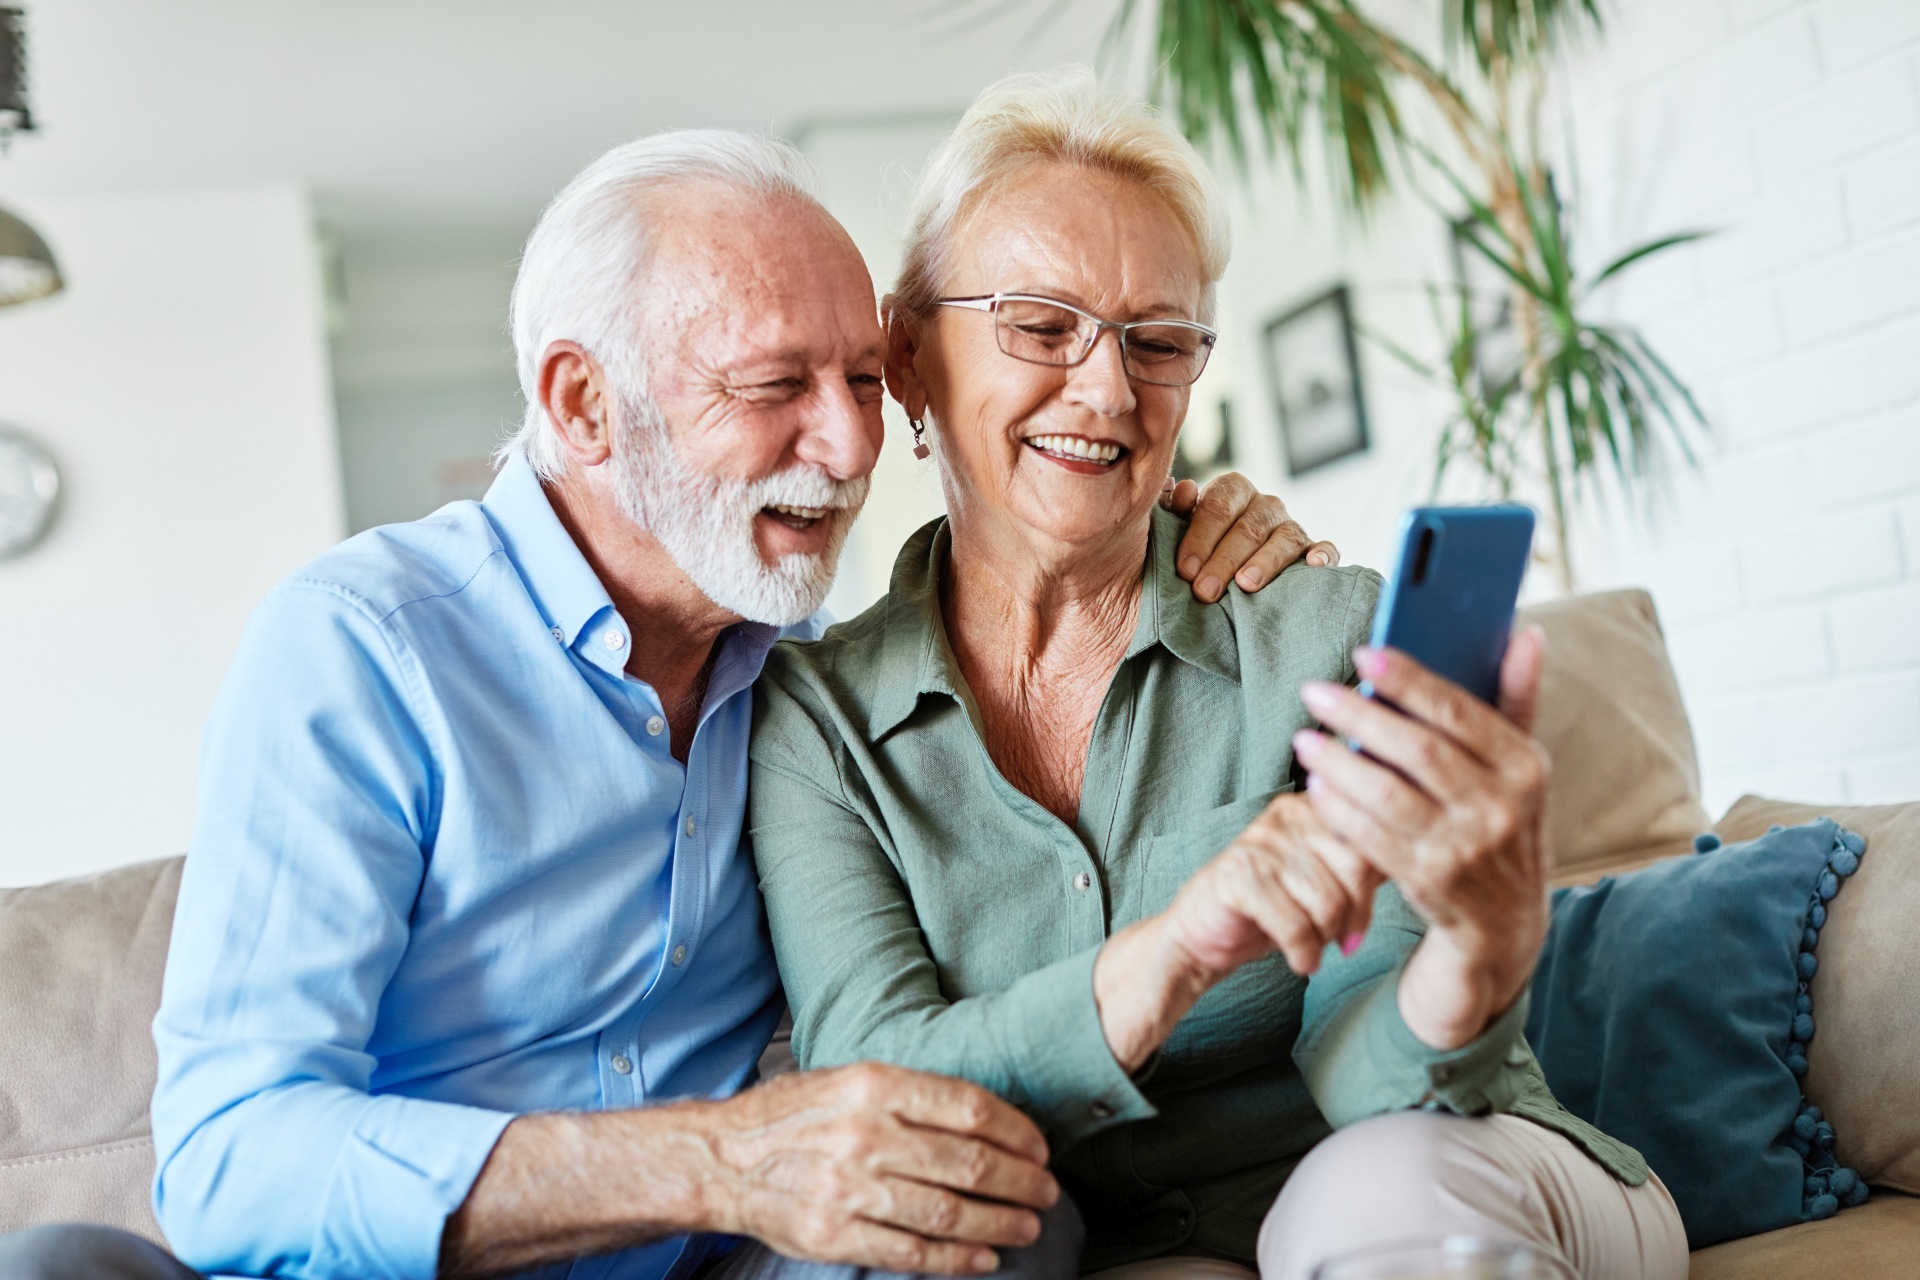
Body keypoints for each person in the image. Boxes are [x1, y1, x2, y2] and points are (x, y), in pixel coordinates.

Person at [0, 130, 1331, 1280]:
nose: (854, 445)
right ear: (585, 403)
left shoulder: (808, 684)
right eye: (774, 388)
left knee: (987, 1210)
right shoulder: (369, 649)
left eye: (864, 380)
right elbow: (232, 1159)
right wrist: (715, 1161)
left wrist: (1161, 514)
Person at [747, 69, 1690, 1280]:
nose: (1106, 389)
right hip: (1098, 1238)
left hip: (1438, 1166)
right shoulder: (815, 724)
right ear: (911, 356)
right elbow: (876, 1092)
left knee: (1373, 1194)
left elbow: (1382, 1078)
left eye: (1158, 342)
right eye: (1041, 326)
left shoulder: (1324, 636)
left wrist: (1479, 946)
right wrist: (1171, 951)